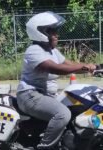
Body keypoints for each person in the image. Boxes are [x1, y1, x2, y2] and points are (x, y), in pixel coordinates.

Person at [16, 11, 96, 149]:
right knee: (63, 114)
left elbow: (70, 65)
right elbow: (56, 68)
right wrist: (84, 66)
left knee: (76, 108)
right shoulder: (34, 50)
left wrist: (95, 67)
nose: (56, 35)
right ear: (42, 33)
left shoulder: (52, 51)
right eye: (52, 31)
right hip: (30, 95)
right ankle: (45, 147)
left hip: (45, 96)